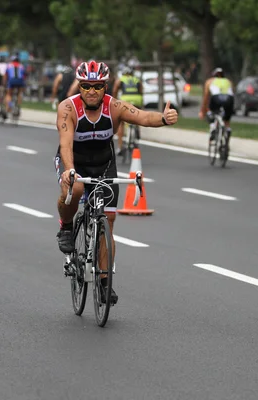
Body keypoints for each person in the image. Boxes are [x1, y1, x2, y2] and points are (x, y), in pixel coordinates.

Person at [54, 60, 178, 304]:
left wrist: (164, 118)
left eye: (97, 86)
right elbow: (66, 143)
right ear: (80, 86)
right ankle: (66, 226)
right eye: (86, 85)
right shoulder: (68, 108)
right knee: (76, 187)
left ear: (105, 86)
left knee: (107, 223)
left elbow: (142, 116)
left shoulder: (115, 107)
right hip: (74, 162)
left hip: (104, 165)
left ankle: (103, 282)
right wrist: (69, 171)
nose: (91, 91)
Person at [199, 67, 235, 147]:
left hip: (216, 98)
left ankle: (213, 128)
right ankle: (228, 130)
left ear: (214, 75)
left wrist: (203, 111)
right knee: (226, 120)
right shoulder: (229, 81)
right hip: (229, 99)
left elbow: (206, 98)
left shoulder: (209, 81)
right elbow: (232, 93)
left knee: (212, 113)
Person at [113, 66, 143, 155]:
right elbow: (141, 91)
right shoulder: (137, 79)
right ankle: (137, 130)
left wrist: (114, 100)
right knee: (138, 115)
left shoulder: (121, 79)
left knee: (121, 121)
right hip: (137, 99)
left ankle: (120, 146)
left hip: (125, 99)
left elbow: (115, 90)